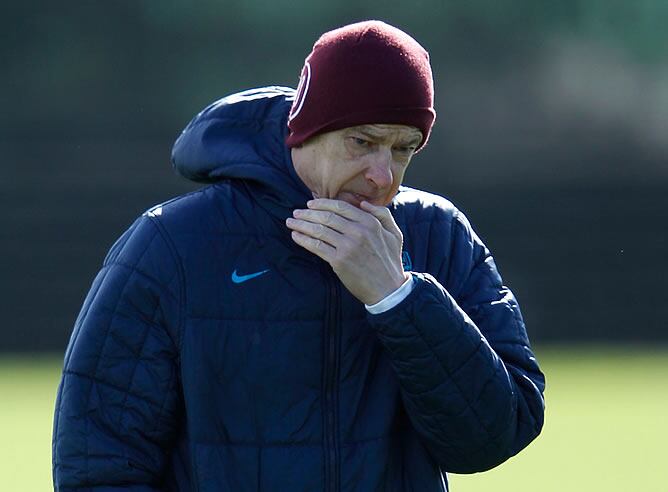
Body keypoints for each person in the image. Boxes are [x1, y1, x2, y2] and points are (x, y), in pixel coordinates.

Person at [52, 20, 545, 491]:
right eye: (363, 141)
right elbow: (97, 467)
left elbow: (492, 439)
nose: (383, 175)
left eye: (404, 148)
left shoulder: (438, 234)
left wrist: (398, 299)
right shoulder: (172, 244)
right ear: (307, 129)